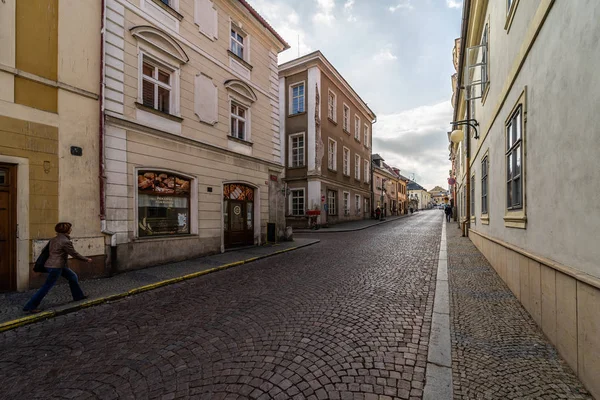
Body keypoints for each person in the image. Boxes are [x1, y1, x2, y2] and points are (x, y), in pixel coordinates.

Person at [23, 222, 92, 313]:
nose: (71, 230)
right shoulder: (66, 242)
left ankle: (78, 296)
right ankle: (30, 306)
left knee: (72, 277)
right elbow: (74, 254)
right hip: (56, 267)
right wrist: (86, 259)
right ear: (67, 230)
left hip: (52, 265)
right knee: (47, 286)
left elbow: (46, 251)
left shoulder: (53, 239)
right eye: (70, 228)